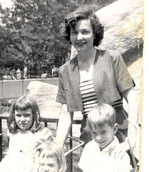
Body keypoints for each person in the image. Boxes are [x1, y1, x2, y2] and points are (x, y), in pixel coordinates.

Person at [56, 5, 139, 157]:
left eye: (85, 32)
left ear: (95, 34)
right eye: (74, 32)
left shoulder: (112, 58)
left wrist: (132, 136)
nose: (79, 37)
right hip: (91, 137)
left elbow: (132, 98)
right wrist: (57, 150)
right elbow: (65, 114)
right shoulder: (65, 71)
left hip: (118, 133)